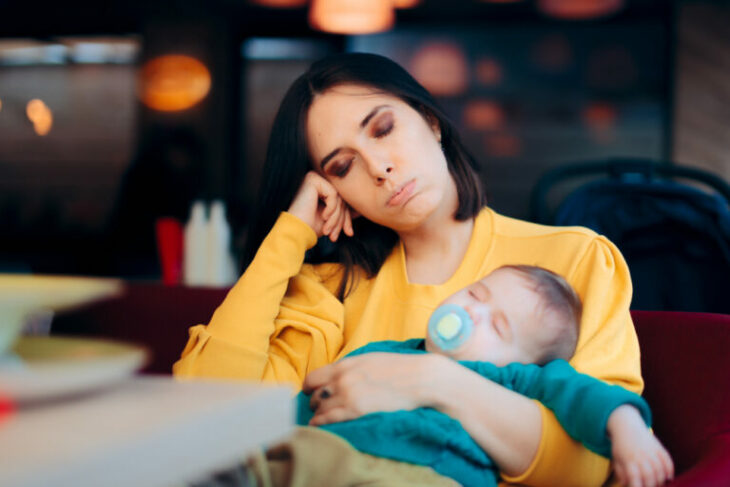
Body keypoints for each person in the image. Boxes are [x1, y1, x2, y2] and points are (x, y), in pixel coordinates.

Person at [174, 52, 643, 486]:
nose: (378, 168)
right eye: (342, 166)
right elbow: (204, 418)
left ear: (432, 122)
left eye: (382, 129)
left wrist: (436, 382)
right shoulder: (329, 292)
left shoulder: (574, 261)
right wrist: (290, 235)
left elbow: (592, 465)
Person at [278, 265, 672, 487]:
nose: (470, 314)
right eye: (474, 295)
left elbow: (585, 395)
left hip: (424, 473)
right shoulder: (383, 352)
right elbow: (310, 400)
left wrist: (629, 432)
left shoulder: (514, 381)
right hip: (325, 456)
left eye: (497, 328)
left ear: (521, 363)